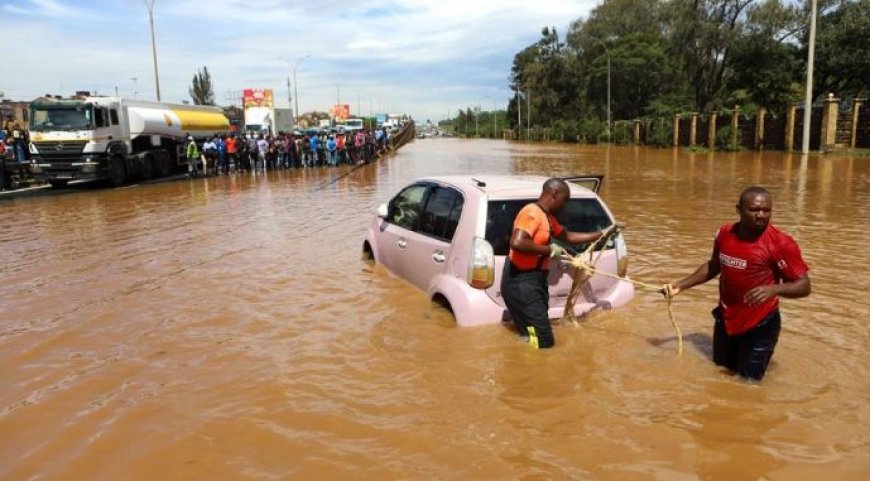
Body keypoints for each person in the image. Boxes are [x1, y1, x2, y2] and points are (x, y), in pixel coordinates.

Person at [665, 186, 811, 381]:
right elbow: (715, 265)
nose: (761, 215)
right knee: (719, 373)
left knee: (748, 384)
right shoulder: (724, 233)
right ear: (739, 210)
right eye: (754, 210)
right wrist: (681, 285)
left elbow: (804, 285)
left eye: (766, 210)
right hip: (726, 319)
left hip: (760, 324)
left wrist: (774, 289)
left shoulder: (781, 243)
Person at [501, 178, 606, 349]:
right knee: (543, 340)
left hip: (533, 281)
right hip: (521, 282)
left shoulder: (547, 218)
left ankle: (525, 357)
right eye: (565, 200)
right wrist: (550, 250)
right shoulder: (532, 213)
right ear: (554, 194)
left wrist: (601, 234)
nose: (565, 206)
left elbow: (568, 237)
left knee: (531, 332)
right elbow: (517, 243)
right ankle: (533, 365)